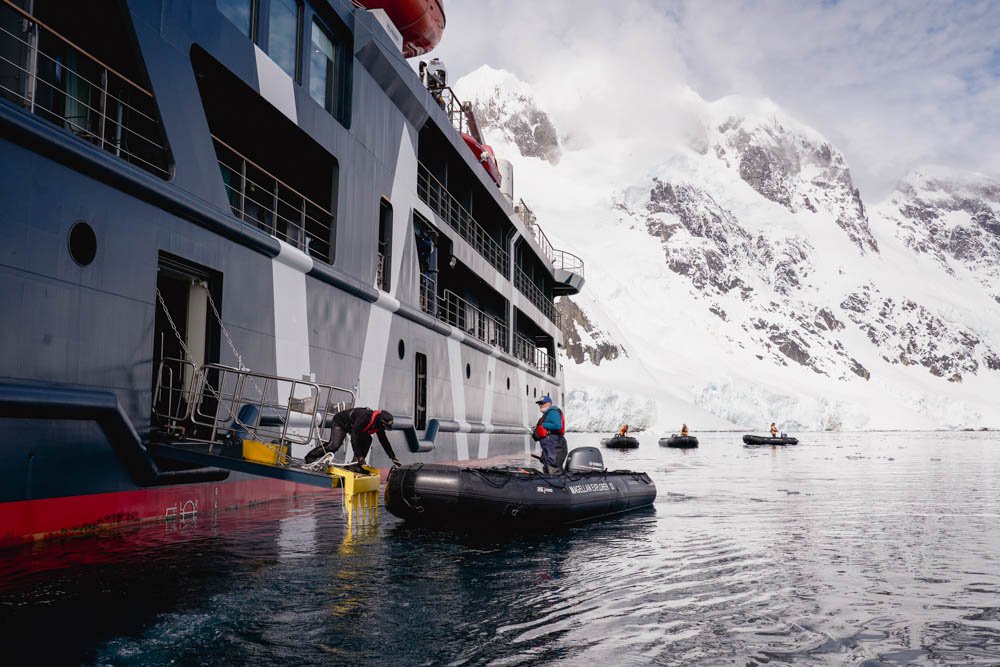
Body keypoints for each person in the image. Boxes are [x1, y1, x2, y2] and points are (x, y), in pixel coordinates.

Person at [304, 407, 400, 468]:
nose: (385, 429)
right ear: (380, 421)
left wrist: (392, 457)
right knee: (334, 445)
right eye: (385, 427)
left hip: (353, 427)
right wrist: (360, 456)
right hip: (341, 422)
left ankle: (355, 465)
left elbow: (384, 441)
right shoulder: (365, 417)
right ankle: (310, 456)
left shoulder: (379, 425)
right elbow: (355, 437)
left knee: (368, 439)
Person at [532, 395, 567, 474]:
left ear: (549, 403)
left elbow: (557, 426)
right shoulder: (547, 414)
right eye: (539, 404)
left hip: (555, 445)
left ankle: (556, 482)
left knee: (553, 465)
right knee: (548, 464)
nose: (540, 405)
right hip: (550, 446)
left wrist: (543, 425)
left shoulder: (553, 411)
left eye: (543, 403)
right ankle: (549, 481)